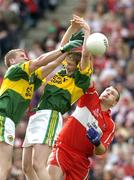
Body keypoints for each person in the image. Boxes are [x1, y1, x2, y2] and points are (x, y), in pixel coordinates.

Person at [0, 38, 82, 180]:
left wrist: (67, 48)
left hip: (8, 122)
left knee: (12, 166)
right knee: (5, 166)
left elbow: (54, 63)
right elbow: (40, 61)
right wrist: (63, 49)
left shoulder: (31, 79)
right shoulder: (15, 70)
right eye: (21, 55)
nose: (26, 57)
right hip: (3, 118)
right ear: (12, 61)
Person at [22, 15, 93, 180]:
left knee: (38, 165)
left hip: (51, 115)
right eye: (67, 62)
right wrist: (72, 29)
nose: (67, 65)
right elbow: (62, 47)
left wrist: (87, 31)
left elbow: (85, 56)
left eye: (70, 63)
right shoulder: (63, 72)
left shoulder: (80, 79)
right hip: (38, 114)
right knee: (27, 167)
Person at [47, 82, 120, 180]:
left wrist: (97, 142)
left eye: (112, 94)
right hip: (63, 148)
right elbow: (88, 81)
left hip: (81, 161)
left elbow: (101, 151)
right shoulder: (91, 97)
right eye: (107, 90)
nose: (108, 93)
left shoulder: (110, 125)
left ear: (114, 103)